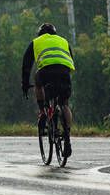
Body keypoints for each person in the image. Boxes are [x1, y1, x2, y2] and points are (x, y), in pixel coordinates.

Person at [21, 23, 74, 157]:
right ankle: (67, 135)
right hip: (64, 72)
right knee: (64, 104)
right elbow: (70, 59)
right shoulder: (63, 41)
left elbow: (26, 65)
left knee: (38, 84)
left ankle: (42, 112)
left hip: (46, 72)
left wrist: (25, 84)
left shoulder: (36, 42)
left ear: (39, 34)